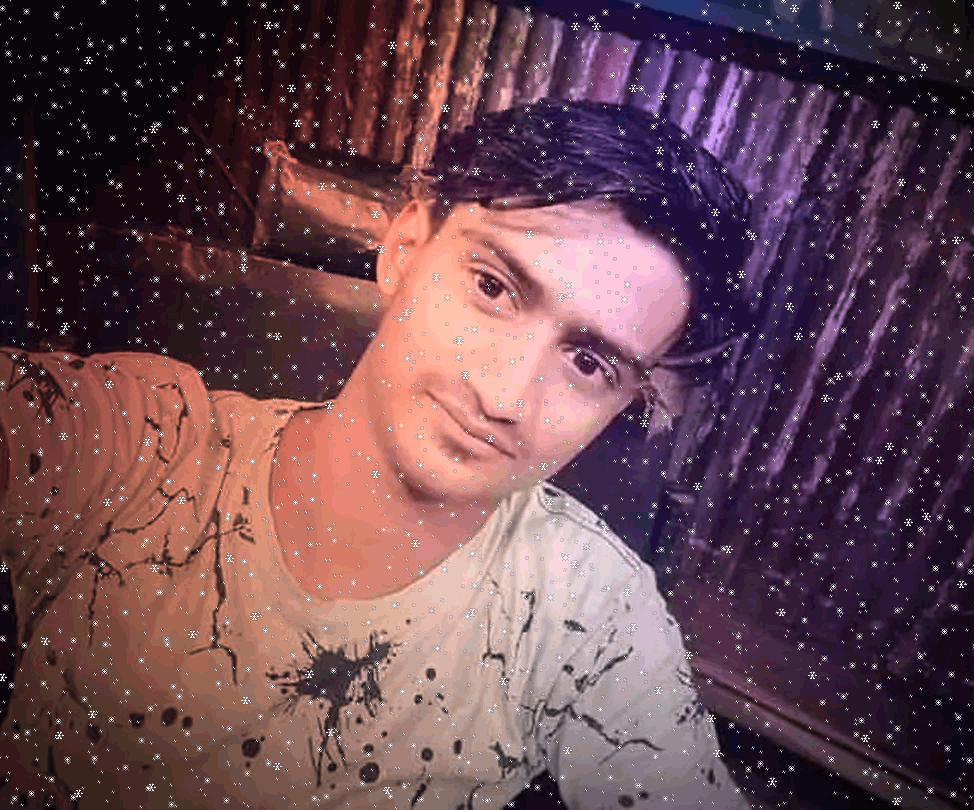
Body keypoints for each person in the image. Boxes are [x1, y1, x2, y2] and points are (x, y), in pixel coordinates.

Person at [0, 99, 754, 809]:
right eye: (493, 288)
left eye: (589, 363)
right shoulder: (137, 444)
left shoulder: (591, 615)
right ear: (406, 249)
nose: (505, 395)